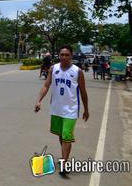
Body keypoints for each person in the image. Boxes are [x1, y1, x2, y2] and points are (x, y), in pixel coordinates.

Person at [34, 45, 89, 176]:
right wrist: (39, 101)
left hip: (71, 110)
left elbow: (83, 91)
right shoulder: (54, 69)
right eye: (62, 55)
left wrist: (86, 109)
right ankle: (65, 157)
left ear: (71, 55)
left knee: (66, 135)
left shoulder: (78, 71)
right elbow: (46, 85)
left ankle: (64, 164)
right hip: (56, 109)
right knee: (61, 135)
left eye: (67, 55)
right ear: (59, 56)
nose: (64, 57)